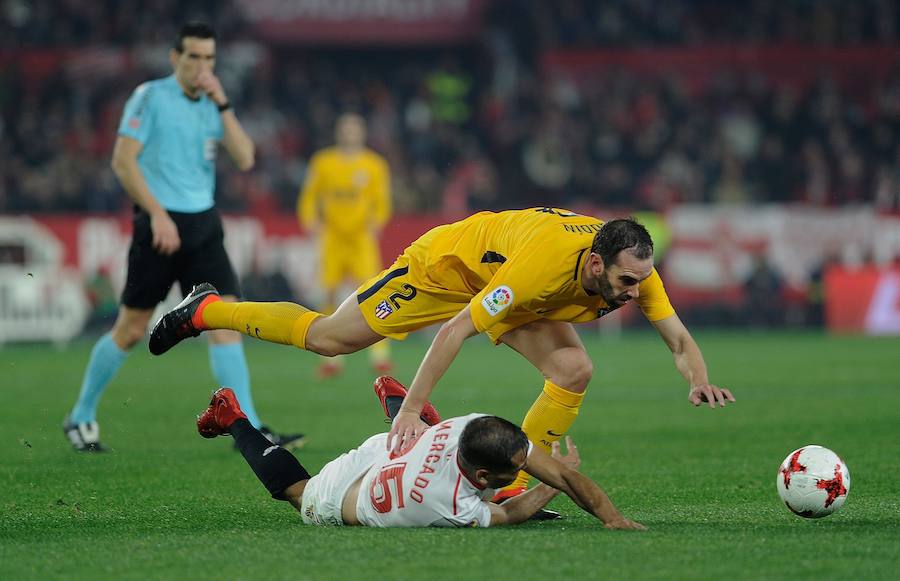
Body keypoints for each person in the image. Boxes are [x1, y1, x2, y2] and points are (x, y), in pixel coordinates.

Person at [149, 208, 734, 502]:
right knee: (331, 338)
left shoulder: (634, 271)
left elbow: (679, 340)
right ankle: (206, 311)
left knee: (574, 368)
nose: (635, 294)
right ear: (595, 264)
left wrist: (699, 378)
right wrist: (412, 409)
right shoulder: (542, 267)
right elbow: (454, 331)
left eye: (640, 283)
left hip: (515, 290)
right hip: (446, 269)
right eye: (627, 283)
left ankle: (511, 487)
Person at [63, 22, 302, 452]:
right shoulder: (150, 97)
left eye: (209, 58)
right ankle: (80, 415)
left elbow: (246, 157)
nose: (202, 65)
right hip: (159, 226)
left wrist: (224, 102)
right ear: (176, 58)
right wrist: (156, 214)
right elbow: (123, 161)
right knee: (132, 328)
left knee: (226, 322)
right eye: (194, 57)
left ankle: (249, 428)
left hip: (204, 225)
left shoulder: (213, 104)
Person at [198, 375, 645, 529]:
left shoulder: (477, 426)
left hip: (395, 452)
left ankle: (405, 411)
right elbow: (511, 515)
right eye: (516, 469)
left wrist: (603, 509)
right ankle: (232, 419)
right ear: (484, 478)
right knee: (297, 492)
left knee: (418, 432)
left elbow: (551, 472)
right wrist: (558, 485)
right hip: (340, 495)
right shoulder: (452, 507)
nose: (523, 468)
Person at [297, 113, 393, 378]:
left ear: (361, 133)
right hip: (333, 237)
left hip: (361, 237)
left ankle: (380, 353)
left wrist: (377, 222)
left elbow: (382, 201)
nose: (350, 134)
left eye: (354, 129)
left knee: (374, 291)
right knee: (329, 292)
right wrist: (310, 220)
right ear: (339, 132)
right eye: (346, 129)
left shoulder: (374, 165)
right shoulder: (323, 162)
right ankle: (332, 357)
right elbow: (310, 195)